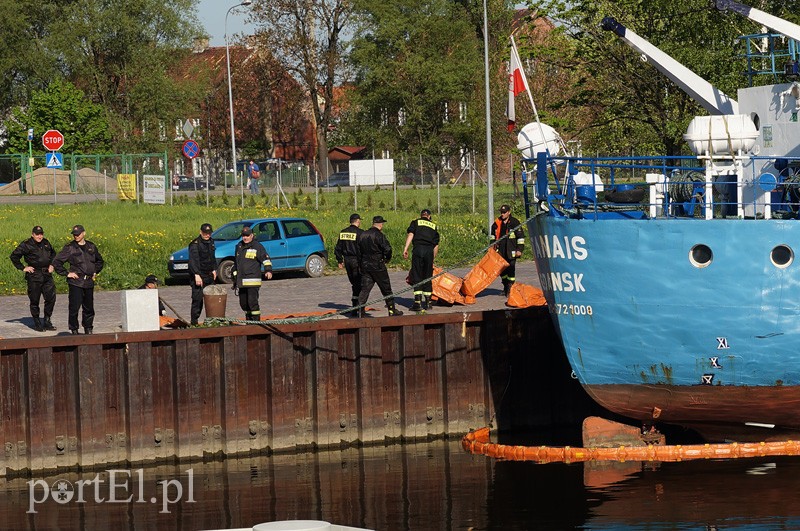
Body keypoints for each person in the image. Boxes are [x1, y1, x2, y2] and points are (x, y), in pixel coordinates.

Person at [53, 225, 105, 335]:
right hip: (76, 282)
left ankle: (88, 328)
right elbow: (57, 262)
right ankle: (74, 329)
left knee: (89, 308)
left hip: (89, 282)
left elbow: (99, 261)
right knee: (74, 307)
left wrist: (95, 271)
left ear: (84, 233)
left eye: (78, 234)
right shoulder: (70, 248)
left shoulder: (91, 246)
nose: (76, 236)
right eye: (74, 234)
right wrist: (67, 273)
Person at [10, 225, 57, 332]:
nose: (40, 236)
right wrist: (23, 268)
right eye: (37, 234)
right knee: (35, 300)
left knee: (51, 298)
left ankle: (47, 320)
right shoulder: (26, 244)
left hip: (47, 274)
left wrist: (52, 264)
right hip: (34, 275)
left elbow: (53, 254)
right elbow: (14, 256)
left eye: (41, 234)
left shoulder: (46, 242)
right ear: (32, 234)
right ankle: (37, 322)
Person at [356, 215, 403, 317]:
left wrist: (361, 263)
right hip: (377, 265)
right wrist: (387, 259)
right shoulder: (379, 235)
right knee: (386, 288)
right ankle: (391, 310)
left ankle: (360, 311)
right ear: (381, 224)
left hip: (365, 265)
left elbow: (358, 251)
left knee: (365, 289)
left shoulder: (363, 234)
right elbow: (388, 249)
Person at [231, 226, 272, 321]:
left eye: (247, 235)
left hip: (253, 281)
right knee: (243, 304)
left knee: (252, 303)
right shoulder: (239, 246)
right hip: (241, 281)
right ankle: (249, 322)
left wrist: (268, 270)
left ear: (252, 235)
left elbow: (266, 259)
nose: (245, 238)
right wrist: (234, 273)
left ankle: (256, 323)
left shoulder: (258, 246)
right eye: (243, 236)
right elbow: (237, 262)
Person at [402, 209, 440, 313]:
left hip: (418, 250)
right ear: (429, 216)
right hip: (429, 251)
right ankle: (428, 303)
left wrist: (406, 249)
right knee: (427, 275)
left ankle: (417, 303)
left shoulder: (415, 222)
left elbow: (411, 235)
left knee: (417, 274)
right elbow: (436, 245)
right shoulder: (433, 226)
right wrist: (433, 258)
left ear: (421, 216)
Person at [490, 204, 525, 297]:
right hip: (500, 251)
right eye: (501, 212)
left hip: (511, 251)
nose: (502, 214)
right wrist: (492, 245)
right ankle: (505, 287)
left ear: (509, 212)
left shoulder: (515, 222)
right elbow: (492, 236)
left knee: (511, 269)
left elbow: (521, 237)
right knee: (502, 271)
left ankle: (511, 288)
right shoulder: (497, 223)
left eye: (504, 212)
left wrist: (519, 250)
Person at [334, 213, 364, 316]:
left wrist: (339, 260)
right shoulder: (360, 233)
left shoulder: (343, 232)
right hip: (357, 261)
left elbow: (338, 248)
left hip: (347, 261)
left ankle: (355, 308)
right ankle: (358, 308)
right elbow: (363, 248)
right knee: (359, 284)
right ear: (358, 221)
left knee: (354, 283)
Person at [188, 223, 217, 325]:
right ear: (201, 232)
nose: (207, 235)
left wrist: (214, 269)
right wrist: (196, 275)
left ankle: (213, 321)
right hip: (199, 276)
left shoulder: (211, 242)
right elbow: (193, 261)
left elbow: (212, 257)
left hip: (209, 275)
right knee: (197, 300)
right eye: (205, 233)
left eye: (209, 233)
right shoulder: (195, 244)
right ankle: (194, 322)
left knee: (212, 299)